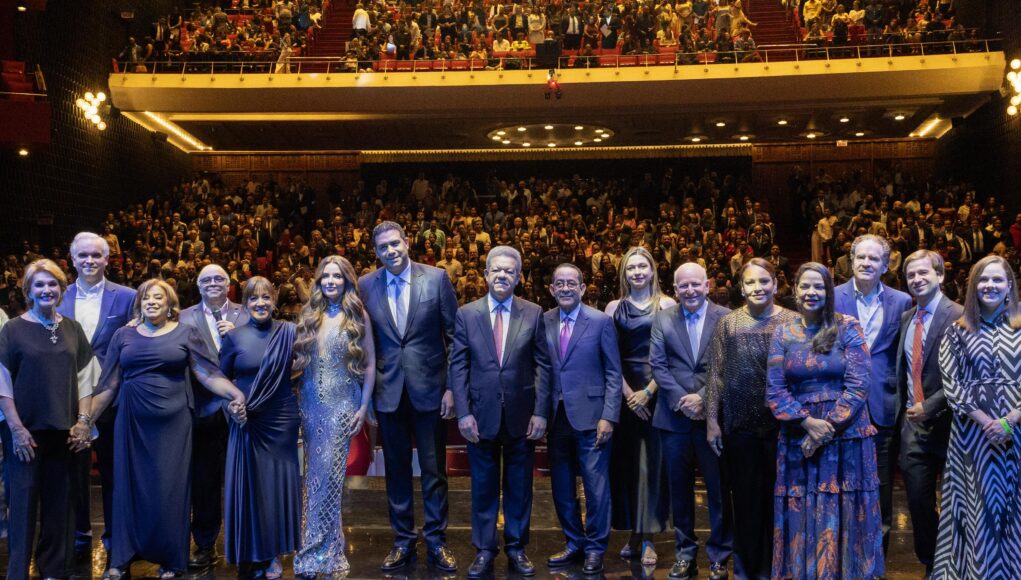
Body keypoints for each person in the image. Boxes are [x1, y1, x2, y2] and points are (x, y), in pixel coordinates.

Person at [90, 279, 247, 579]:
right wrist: (86, 421)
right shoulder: (123, 335)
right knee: (128, 486)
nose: (151, 301)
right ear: (138, 304)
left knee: (171, 490)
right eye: (145, 297)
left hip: (175, 423)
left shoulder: (186, 332)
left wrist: (235, 394)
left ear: (170, 304)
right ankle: (120, 558)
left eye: (158, 297)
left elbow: (206, 373)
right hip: (132, 422)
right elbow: (108, 383)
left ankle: (172, 559)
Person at [766, 262, 884, 579]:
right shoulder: (782, 332)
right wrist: (806, 423)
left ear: (829, 292)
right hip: (797, 437)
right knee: (801, 508)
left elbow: (859, 383)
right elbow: (775, 389)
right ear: (794, 289)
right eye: (805, 286)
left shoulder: (848, 326)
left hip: (847, 436)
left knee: (848, 507)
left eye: (818, 286)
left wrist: (825, 428)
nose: (811, 292)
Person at [357, 221, 459, 573]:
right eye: (383, 247)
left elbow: (455, 338)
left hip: (431, 390)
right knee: (397, 472)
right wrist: (366, 396)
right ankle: (402, 540)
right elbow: (362, 345)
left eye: (395, 244)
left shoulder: (436, 278)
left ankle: (436, 541)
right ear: (376, 251)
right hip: (388, 392)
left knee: (433, 472)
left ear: (407, 242)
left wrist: (452, 388)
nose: (390, 251)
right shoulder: (365, 285)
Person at [448, 245, 552, 578]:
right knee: (482, 486)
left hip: (524, 416)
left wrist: (541, 412)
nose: (502, 275)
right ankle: (484, 549)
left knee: (520, 486)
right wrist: (463, 412)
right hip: (479, 416)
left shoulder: (534, 313)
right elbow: (458, 365)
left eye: (509, 271)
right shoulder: (466, 314)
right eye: (496, 270)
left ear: (519, 276)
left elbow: (543, 366)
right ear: (486, 274)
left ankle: (517, 548)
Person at [0, 259, 94, 580]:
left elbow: (86, 379)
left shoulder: (72, 329)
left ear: (61, 289)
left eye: (52, 284)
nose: (46, 290)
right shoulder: (11, 330)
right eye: (39, 285)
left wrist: (83, 421)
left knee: (60, 508)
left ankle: (54, 570)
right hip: (24, 435)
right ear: (28, 291)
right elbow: (2, 383)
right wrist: (15, 428)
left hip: (64, 433)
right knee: (23, 509)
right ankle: (17, 574)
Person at [705, 257, 798, 580]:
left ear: (775, 283)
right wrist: (712, 422)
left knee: (781, 501)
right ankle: (746, 570)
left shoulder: (793, 321)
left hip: (783, 427)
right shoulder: (728, 324)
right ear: (741, 287)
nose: (757, 287)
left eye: (764, 281)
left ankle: (779, 568)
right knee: (745, 503)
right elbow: (716, 374)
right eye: (750, 282)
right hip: (739, 427)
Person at [932, 255, 1021, 579]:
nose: (990, 285)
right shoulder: (958, 330)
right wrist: (987, 422)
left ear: (1009, 285)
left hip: (1017, 434)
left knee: (1015, 506)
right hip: (972, 436)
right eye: (983, 280)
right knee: (976, 506)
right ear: (972, 286)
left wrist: (1010, 421)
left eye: (998, 279)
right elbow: (951, 383)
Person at [292, 256, 376, 576]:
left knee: (330, 479)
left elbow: (368, 365)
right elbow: (298, 361)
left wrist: (364, 406)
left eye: (336, 276)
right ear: (318, 281)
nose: (330, 281)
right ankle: (320, 548)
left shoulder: (357, 315)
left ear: (347, 281)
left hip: (343, 406)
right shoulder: (309, 314)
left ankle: (321, 551)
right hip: (311, 404)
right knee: (313, 479)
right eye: (325, 276)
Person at [649, 263, 732, 580]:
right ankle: (685, 554)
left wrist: (703, 397)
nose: (690, 290)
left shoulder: (726, 318)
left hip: (714, 418)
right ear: (675, 288)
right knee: (679, 491)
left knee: (719, 490)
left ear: (708, 285)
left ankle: (719, 555)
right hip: (673, 418)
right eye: (683, 286)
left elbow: (728, 366)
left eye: (695, 284)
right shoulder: (663, 319)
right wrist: (684, 401)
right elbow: (657, 365)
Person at [58, 232, 137, 556]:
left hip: (113, 399)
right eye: (83, 255)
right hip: (66, 399)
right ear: (72, 259)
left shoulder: (128, 296)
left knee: (114, 474)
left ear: (108, 259)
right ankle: (78, 538)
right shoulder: (55, 295)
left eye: (96, 255)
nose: (89, 260)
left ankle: (116, 542)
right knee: (71, 474)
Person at [833, 234, 912, 551]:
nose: (866, 263)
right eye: (860, 257)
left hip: (882, 405)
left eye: (873, 258)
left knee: (880, 489)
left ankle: (875, 561)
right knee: (839, 485)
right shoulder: (832, 297)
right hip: (838, 406)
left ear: (885, 265)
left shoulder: (902, 301)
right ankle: (841, 555)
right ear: (851, 262)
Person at [219, 277, 301, 579]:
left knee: (277, 487)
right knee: (250, 487)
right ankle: (253, 551)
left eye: (266, 297)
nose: (260, 303)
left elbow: (304, 364)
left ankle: (274, 553)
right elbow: (221, 379)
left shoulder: (289, 332)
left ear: (274, 300)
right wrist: (233, 404)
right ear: (245, 302)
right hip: (246, 420)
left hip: (280, 419)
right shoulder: (235, 338)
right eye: (253, 298)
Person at [544, 263, 623, 576]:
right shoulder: (543, 319)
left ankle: (594, 548)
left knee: (596, 488)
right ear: (551, 289)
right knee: (561, 487)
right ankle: (574, 542)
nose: (565, 288)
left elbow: (613, 373)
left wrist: (609, 415)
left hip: (593, 417)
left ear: (582, 288)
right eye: (559, 283)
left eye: (571, 283)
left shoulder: (601, 321)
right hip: (555, 417)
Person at [604, 247, 674, 565]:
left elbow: (673, 355)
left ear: (652, 269)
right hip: (624, 395)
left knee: (652, 466)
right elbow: (608, 356)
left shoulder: (668, 304)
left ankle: (648, 537)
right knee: (629, 465)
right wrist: (628, 393)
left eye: (642, 265)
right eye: (630, 267)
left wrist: (648, 391)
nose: (636, 272)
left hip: (657, 393)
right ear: (624, 273)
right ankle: (634, 531)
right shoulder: (613, 308)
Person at [896, 250, 963, 577]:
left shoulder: (961, 316)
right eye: (911, 275)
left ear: (940, 275)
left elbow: (966, 377)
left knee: (956, 507)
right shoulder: (907, 318)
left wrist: (932, 405)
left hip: (954, 428)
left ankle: (955, 564)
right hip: (914, 431)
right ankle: (931, 563)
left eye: (923, 273)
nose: (917, 279)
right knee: (920, 505)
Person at [178, 264, 248, 570]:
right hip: (202, 410)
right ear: (198, 285)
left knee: (245, 480)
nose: (213, 283)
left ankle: (248, 543)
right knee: (204, 482)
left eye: (219, 278)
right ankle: (205, 545)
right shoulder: (182, 317)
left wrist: (239, 337)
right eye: (206, 279)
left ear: (229, 283)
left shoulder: (247, 314)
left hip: (244, 410)